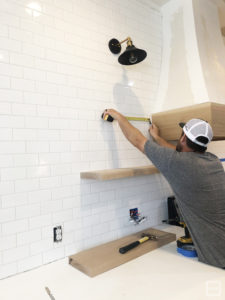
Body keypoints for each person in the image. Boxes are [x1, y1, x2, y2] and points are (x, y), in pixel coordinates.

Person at [103, 109, 225, 269]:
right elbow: (177, 154)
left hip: (219, 260)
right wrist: (158, 138)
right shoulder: (212, 160)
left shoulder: (178, 164)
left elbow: (137, 140)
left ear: (182, 138)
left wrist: (119, 116)